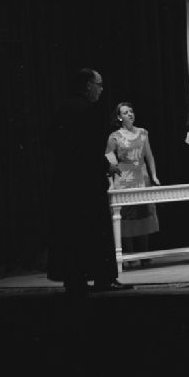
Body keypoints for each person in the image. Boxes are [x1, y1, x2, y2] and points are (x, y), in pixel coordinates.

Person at [46, 68, 133, 295]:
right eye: (99, 85)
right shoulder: (88, 111)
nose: (101, 90)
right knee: (96, 230)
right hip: (86, 183)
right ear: (88, 86)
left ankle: (75, 280)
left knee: (72, 233)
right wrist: (107, 166)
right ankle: (104, 279)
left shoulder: (61, 109)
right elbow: (89, 149)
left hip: (65, 182)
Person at [106, 102, 161, 266]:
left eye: (131, 111)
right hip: (124, 179)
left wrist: (154, 175)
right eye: (125, 112)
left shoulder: (143, 133)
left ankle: (144, 255)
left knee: (143, 214)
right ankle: (128, 256)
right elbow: (109, 158)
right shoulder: (115, 136)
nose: (130, 114)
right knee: (126, 216)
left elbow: (149, 156)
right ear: (119, 117)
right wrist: (111, 181)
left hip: (141, 177)